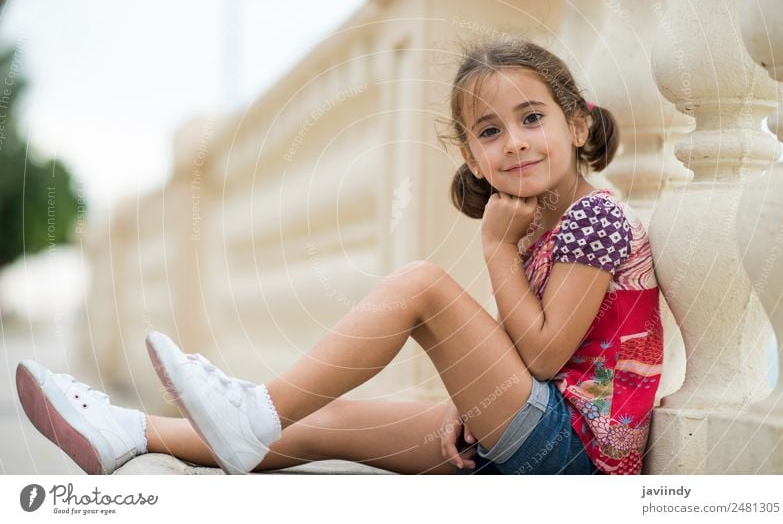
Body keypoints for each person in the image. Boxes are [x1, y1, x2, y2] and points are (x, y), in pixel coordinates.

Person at [16, 39, 663, 476]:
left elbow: (545, 355)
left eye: (531, 118)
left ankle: (255, 410)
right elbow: (531, 358)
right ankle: (128, 430)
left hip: (580, 458)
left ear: (577, 124)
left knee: (422, 286)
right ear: (471, 157)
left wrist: (493, 247)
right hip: (543, 429)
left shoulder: (593, 218)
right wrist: (473, 407)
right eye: (491, 131)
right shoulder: (535, 227)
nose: (514, 143)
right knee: (326, 419)